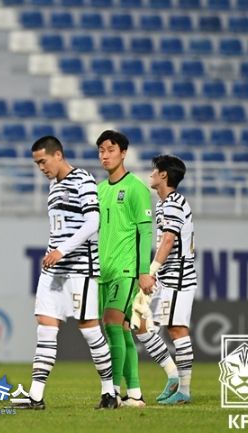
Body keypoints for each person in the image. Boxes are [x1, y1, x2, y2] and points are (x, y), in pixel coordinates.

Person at [11, 136, 116, 410]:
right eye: (37, 163)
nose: (41, 167)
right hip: (54, 271)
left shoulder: (83, 179)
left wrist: (62, 250)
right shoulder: (53, 186)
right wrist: (53, 253)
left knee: (90, 331)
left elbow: (93, 222)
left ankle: (109, 392)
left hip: (81, 268)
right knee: (45, 328)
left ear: (58, 155)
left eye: (43, 161)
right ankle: (35, 396)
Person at [96, 130, 153, 407]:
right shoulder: (100, 189)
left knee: (111, 323)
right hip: (103, 272)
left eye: (110, 150)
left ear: (123, 153)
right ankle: (135, 394)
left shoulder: (136, 188)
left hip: (126, 270)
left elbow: (146, 232)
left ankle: (112, 393)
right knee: (120, 329)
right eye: (101, 151)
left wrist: (144, 271)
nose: (105, 155)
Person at [134, 155, 196, 405]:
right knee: (139, 322)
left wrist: (151, 270)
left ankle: (184, 391)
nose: (151, 174)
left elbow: (169, 239)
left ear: (163, 175)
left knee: (177, 329)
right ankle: (172, 375)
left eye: (154, 170)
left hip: (179, 275)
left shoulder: (173, 203)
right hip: (166, 275)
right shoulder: (164, 204)